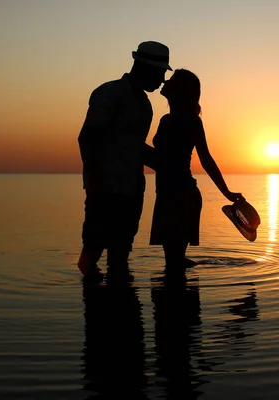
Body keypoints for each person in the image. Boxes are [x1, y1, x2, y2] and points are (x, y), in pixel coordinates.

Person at [78, 41, 171, 279]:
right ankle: (95, 302)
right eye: (160, 73)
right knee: (93, 247)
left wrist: (167, 165)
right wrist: (97, 182)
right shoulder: (108, 93)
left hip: (131, 188)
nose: (162, 80)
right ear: (145, 68)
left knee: (121, 252)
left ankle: (119, 305)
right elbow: (87, 138)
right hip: (105, 188)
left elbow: (135, 147)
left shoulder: (145, 105)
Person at [149, 69, 242, 270]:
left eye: (172, 80)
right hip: (168, 194)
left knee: (173, 264)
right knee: (174, 263)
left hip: (181, 196)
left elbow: (206, 160)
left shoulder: (189, 121)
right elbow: (162, 160)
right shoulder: (166, 120)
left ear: (180, 90)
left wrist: (226, 192)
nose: (166, 81)